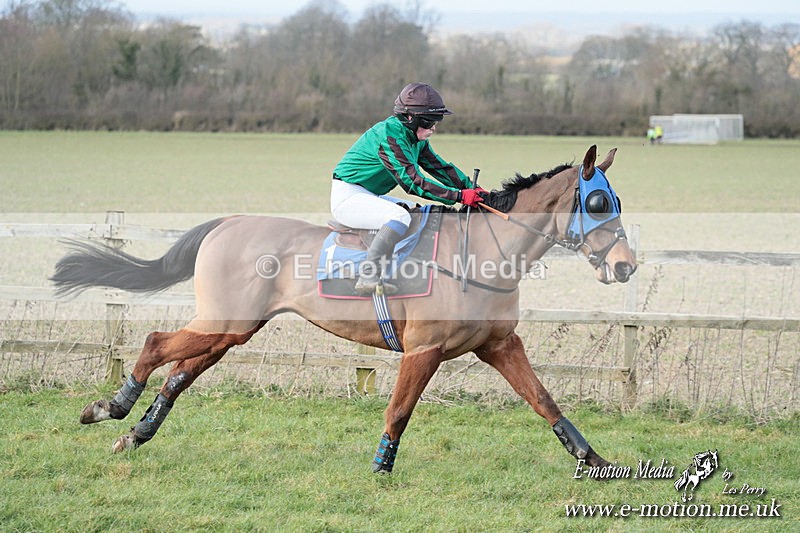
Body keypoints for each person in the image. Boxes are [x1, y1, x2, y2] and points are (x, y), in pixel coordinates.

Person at [331, 82, 486, 295]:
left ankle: (404, 269)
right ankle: (368, 275)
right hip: (348, 197)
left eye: (436, 122)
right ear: (410, 118)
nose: (433, 129)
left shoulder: (413, 137)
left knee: (417, 214)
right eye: (429, 122)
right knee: (401, 217)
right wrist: (459, 196)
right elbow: (413, 182)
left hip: (369, 195)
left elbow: (438, 167)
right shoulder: (389, 137)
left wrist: (474, 189)